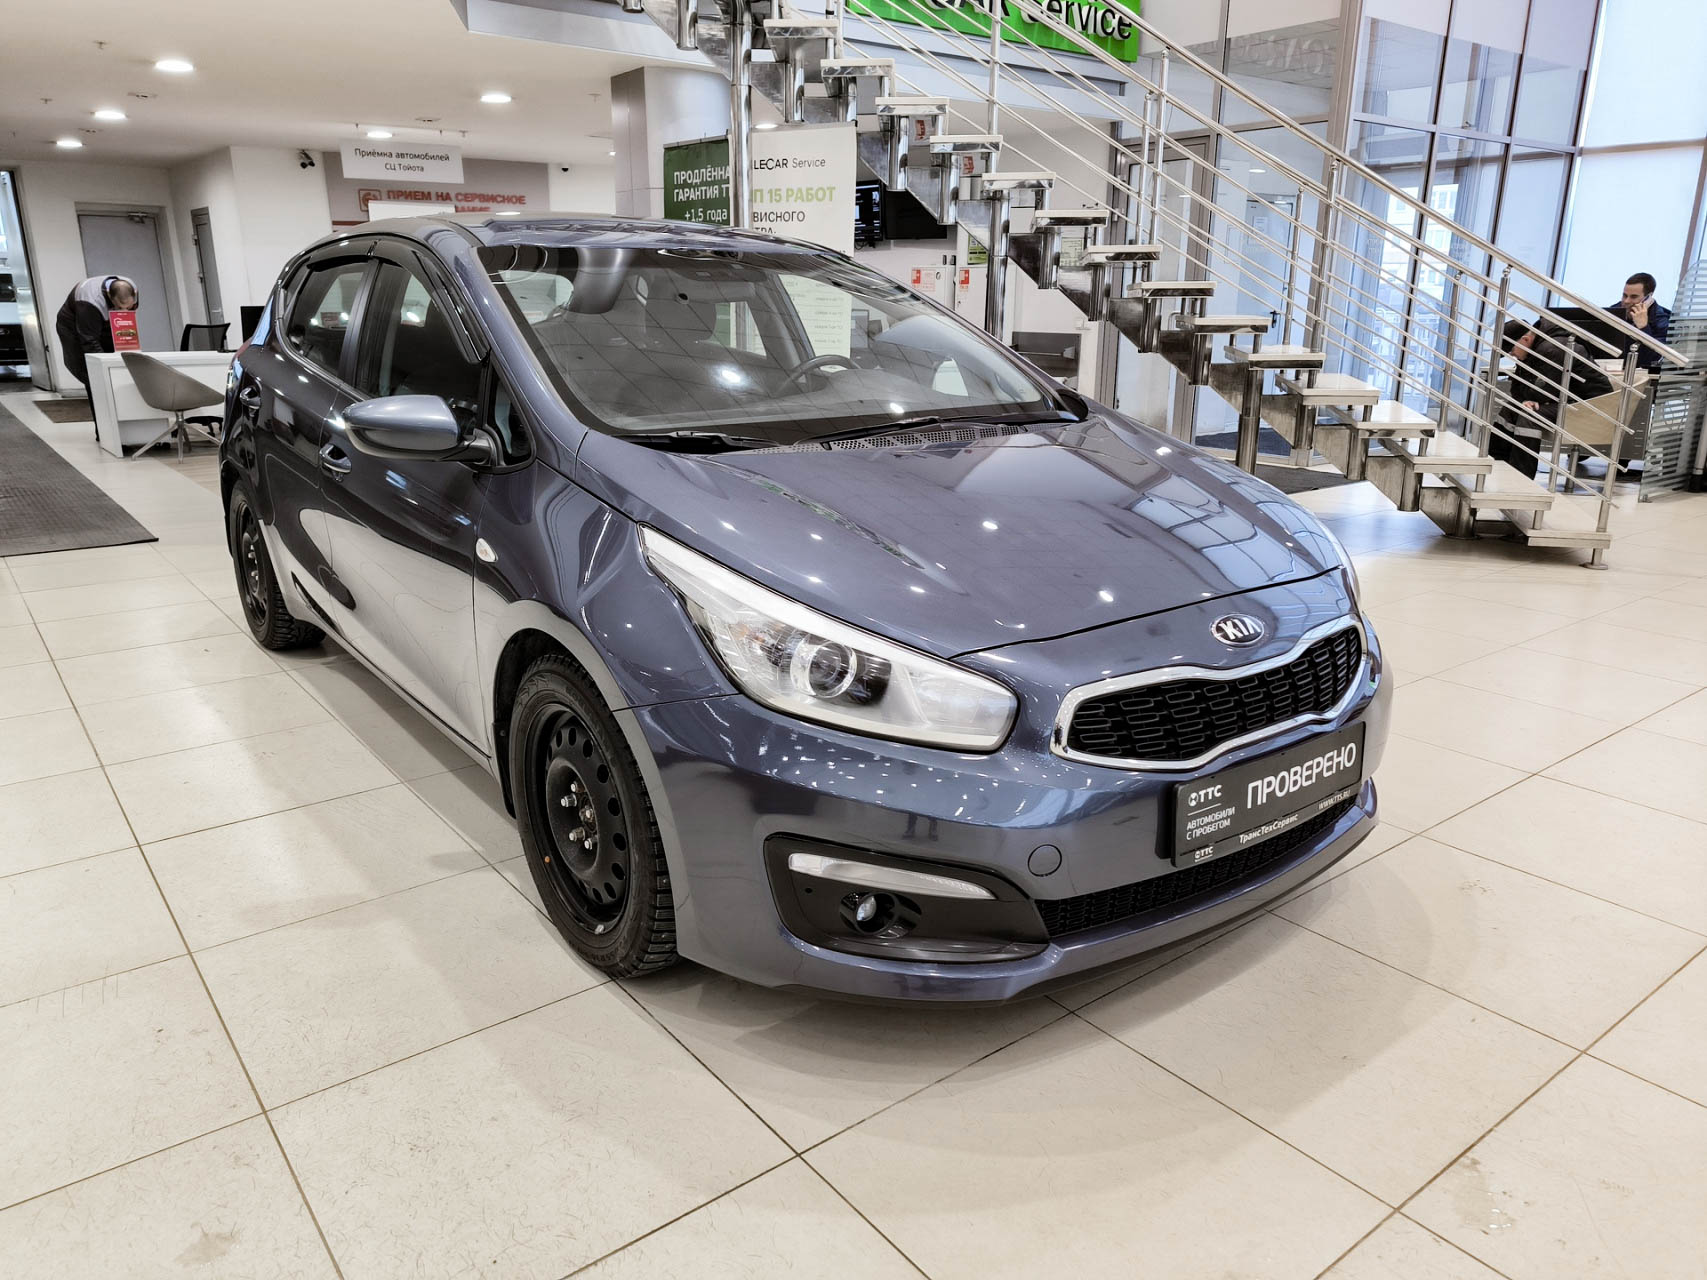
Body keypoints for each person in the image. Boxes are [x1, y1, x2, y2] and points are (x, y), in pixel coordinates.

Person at [1495, 316, 1612, 480]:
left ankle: (1521, 477)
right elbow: (1518, 387)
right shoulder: (1534, 349)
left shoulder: (1553, 349)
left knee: (1529, 414)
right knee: (1511, 408)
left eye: (1511, 350)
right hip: (1565, 401)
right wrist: (1524, 400)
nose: (1512, 355)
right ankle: (1496, 465)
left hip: (1590, 406)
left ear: (1525, 339)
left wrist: (1531, 399)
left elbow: (1542, 391)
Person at [53, 274, 139, 403]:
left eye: (128, 307)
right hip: (72, 325)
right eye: (120, 308)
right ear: (109, 296)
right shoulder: (90, 302)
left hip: (101, 318)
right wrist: (104, 372)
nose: (124, 311)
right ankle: (102, 404)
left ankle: (121, 400)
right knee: (90, 370)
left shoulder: (132, 289)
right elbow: (89, 341)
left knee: (117, 357)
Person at [1607, 272, 1671, 370]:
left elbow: (1653, 360)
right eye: (1624, 295)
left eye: (1633, 297)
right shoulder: (1615, 311)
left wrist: (1643, 328)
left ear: (1648, 297)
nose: (1626, 301)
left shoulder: (1662, 320)